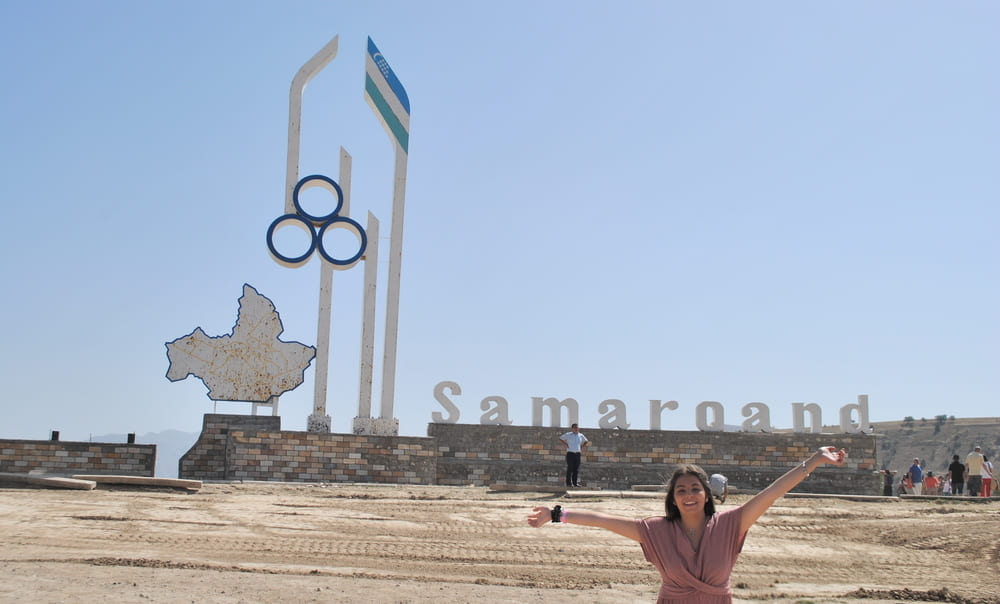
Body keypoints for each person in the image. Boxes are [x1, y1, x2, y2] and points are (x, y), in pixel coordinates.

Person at [527, 446, 848, 603]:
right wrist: (556, 515)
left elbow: (773, 492)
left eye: (695, 488)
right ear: (673, 498)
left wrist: (816, 460)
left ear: (707, 495)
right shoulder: (655, 530)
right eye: (681, 490)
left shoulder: (731, 524)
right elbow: (603, 521)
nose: (689, 494)